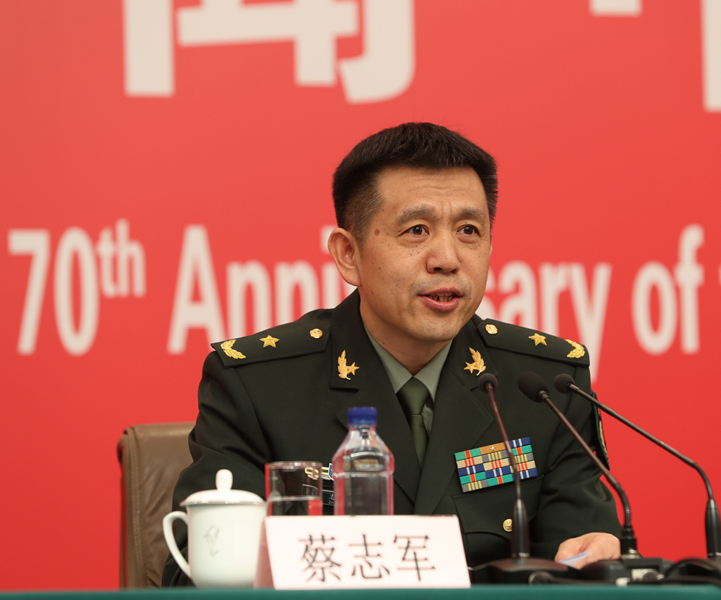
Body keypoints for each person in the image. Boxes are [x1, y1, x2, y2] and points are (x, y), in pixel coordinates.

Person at [162, 123, 621, 586]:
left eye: (468, 230)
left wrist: (593, 556)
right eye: (416, 230)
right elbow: (195, 576)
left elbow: (579, 556)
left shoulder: (545, 387)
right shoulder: (258, 386)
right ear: (348, 254)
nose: (447, 258)